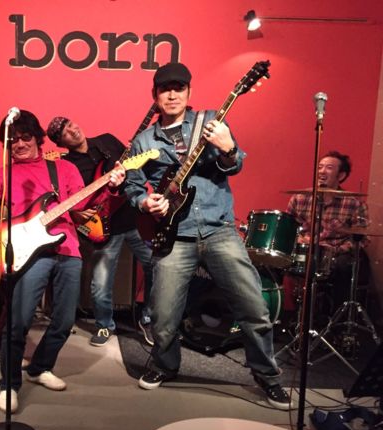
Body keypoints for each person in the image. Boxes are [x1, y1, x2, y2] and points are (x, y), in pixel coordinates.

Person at [124, 62, 293, 410]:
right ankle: (165, 365)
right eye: (165, 89)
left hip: (219, 229)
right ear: (155, 95)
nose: (173, 94)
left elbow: (235, 164)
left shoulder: (211, 121)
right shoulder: (144, 141)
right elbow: (133, 185)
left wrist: (228, 148)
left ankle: (268, 376)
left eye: (179, 88)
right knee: (163, 315)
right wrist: (144, 201)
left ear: (189, 92)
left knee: (253, 308)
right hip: (174, 235)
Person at [0, 110, 125, 413]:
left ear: (38, 138)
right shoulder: (3, 174)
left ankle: (40, 367)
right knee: (19, 322)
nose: (19, 144)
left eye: (25, 137)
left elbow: (84, 204)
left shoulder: (64, 169)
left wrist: (111, 187)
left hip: (67, 249)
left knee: (65, 321)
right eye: (13, 140)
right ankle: (9, 384)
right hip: (27, 252)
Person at [46, 117, 154, 347]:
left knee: (158, 267)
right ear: (61, 143)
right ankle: (105, 325)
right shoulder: (67, 165)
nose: (73, 130)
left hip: (134, 218)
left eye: (71, 124)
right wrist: (77, 212)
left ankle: (149, 317)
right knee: (100, 285)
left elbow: (133, 172)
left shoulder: (107, 141)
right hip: (104, 227)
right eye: (65, 133)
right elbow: (71, 198)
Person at [286, 151, 370, 310]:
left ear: (341, 175)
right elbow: (288, 227)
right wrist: (299, 239)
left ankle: (338, 317)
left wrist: (336, 250)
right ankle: (290, 313)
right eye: (320, 167)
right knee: (275, 259)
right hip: (307, 250)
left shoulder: (354, 203)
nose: (322, 171)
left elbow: (363, 238)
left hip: (336, 253)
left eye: (329, 168)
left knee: (344, 265)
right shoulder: (300, 198)